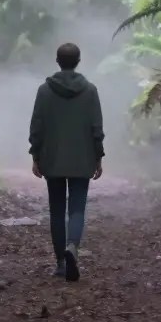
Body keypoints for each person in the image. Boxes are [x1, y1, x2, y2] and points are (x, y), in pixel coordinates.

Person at [28, 42, 104, 282]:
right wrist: (98, 156)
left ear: (57, 61)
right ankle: (72, 246)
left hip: (53, 158)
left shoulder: (44, 90)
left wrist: (35, 155)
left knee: (57, 210)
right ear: (78, 60)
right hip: (83, 159)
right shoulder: (90, 91)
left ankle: (61, 262)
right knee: (77, 208)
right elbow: (96, 127)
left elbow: (37, 126)